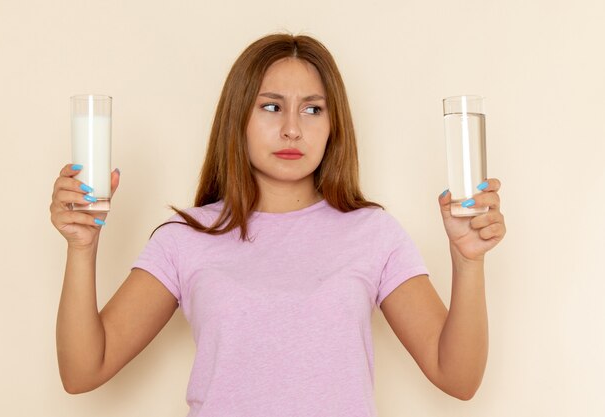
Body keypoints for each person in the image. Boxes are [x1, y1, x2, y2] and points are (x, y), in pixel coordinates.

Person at [50, 34, 506, 416]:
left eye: (312, 110)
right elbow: (84, 370)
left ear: (334, 126)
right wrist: (81, 248)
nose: (292, 129)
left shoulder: (373, 233)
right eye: (271, 107)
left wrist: (467, 262)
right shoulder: (185, 239)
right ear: (239, 118)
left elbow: (458, 378)